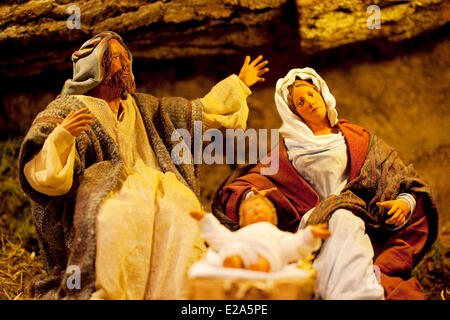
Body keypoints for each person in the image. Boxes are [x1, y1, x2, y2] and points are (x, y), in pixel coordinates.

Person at [18, 31, 269, 299]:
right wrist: (62, 136)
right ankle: (111, 292)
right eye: (116, 58)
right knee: (116, 218)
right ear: (96, 68)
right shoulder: (70, 108)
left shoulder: (143, 106)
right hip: (100, 193)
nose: (126, 63)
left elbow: (199, 111)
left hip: (152, 182)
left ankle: (177, 292)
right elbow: (40, 167)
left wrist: (240, 85)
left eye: (126, 56)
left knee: (181, 208)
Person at [216, 68, 439, 299]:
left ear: (322, 93)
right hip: (313, 223)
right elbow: (251, 183)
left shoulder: (357, 138)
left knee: (345, 217)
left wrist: (404, 203)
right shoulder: (289, 150)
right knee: (341, 217)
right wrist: (252, 196)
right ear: (294, 113)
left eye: (311, 94)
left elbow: (402, 179)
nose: (310, 103)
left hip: (360, 218)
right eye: (300, 102)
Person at [190, 187, 330, 274]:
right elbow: (220, 236)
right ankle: (234, 261)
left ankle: (264, 265)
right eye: (250, 210)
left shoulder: (276, 233)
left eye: (259, 207)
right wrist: (206, 220)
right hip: (240, 249)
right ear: (243, 220)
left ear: (272, 214)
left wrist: (310, 235)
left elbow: (294, 242)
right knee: (234, 248)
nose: (255, 210)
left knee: (273, 252)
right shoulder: (240, 234)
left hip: (266, 253)